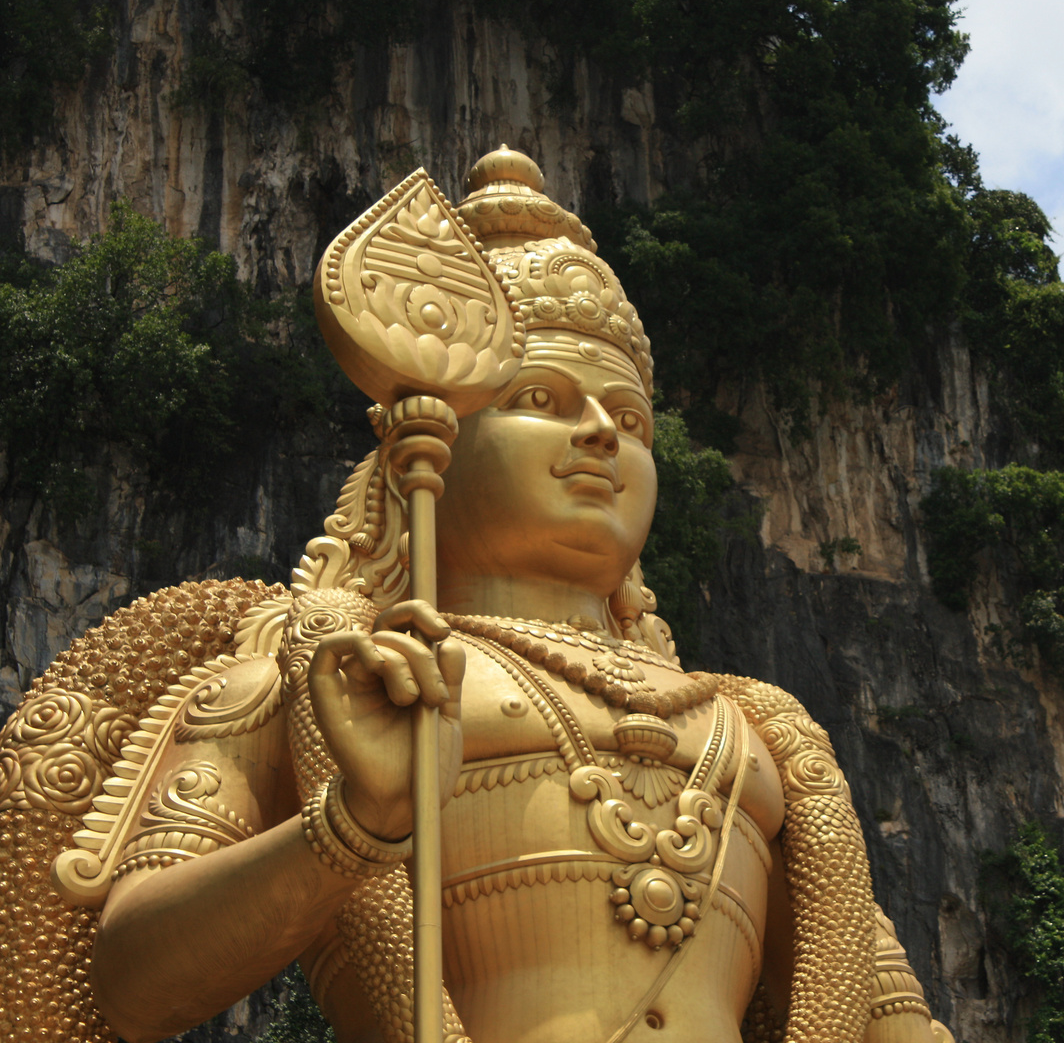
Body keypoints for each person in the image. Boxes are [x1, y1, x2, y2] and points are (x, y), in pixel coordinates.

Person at [0, 148, 951, 1043]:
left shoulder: (753, 728)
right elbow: (132, 981)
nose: (598, 436)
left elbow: (884, 1012)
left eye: (627, 419)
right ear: (424, 447)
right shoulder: (335, 672)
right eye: (540, 399)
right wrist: (353, 825)